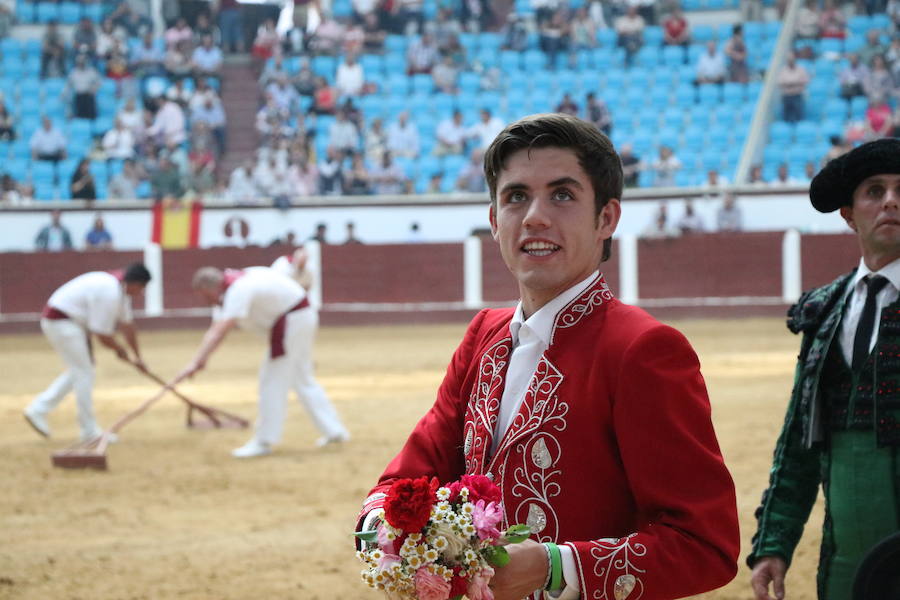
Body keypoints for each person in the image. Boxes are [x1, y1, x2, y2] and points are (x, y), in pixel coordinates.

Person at [357, 113, 740, 599]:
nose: (535, 216)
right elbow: (410, 474)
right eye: (516, 196)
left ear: (606, 218)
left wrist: (555, 567)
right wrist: (381, 527)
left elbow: (705, 544)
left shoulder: (643, 350)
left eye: (562, 194)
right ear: (495, 222)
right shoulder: (484, 336)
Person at [748, 138, 900, 600]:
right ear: (849, 214)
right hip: (845, 559)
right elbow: (799, 437)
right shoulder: (824, 309)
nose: (891, 201)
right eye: (874, 191)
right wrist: (774, 542)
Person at [172, 266, 350, 457]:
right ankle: (334, 431)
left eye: (205, 295)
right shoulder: (233, 285)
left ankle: (264, 441)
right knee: (302, 380)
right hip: (300, 318)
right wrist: (199, 361)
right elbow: (216, 328)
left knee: (271, 380)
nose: (206, 301)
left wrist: (195, 362)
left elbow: (220, 330)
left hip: (292, 322)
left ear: (211, 287)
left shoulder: (237, 290)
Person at [23, 263, 151, 442]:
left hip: (70, 323)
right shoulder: (110, 292)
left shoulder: (120, 292)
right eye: (142, 287)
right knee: (84, 372)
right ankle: (89, 431)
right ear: (135, 283)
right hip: (62, 322)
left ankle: (38, 409)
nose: (142, 292)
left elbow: (128, 327)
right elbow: (102, 334)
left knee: (80, 370)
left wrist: (138, 357)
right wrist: (120, 350)